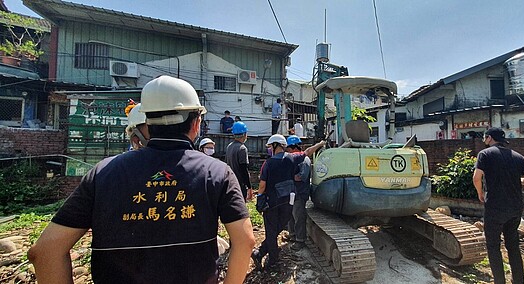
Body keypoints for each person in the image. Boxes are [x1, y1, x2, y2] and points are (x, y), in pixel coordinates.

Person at [28, 75, 255, 284]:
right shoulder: (216, 172)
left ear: (146, 122)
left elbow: (45, 251)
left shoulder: (103, 173)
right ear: (196, 123)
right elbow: (245, 241)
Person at [472, 127, 524, 284]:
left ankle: (499, 281)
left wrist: (480, 193)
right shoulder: (518, 157)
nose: (483, 141)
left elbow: (476, 177)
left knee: (494, 246)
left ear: (489, 138)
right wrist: (518, 180)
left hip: (495, 207)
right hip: (515, 209)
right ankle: (519, 281)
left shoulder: (485, 154)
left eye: (484, 138)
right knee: (513, 246)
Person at [252, 136, 325, 270]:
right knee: (278, 228)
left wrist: (259, 200)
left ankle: (270, 260)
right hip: (286, 202)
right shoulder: (292, 158)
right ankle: (261, 252)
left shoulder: (268, 163)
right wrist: (319, 144)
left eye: (270, 147)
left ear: (275, 145)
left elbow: (262, 185)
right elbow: (308, 152)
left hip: (271, 202)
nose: (269, 150)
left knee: (271, 231)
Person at [285, 135, 310, 251]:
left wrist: (290, 177)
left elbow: (302, 176)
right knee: (290, 214)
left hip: (300, 193)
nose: (287, 151)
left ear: (293, 147)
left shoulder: (304, 160)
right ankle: (292, 235)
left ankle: (300, 240)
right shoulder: (293, 158)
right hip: (292, 192)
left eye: (288, 148)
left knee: (299, 216)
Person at [226, 121, 253, 201]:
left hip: (230, 182)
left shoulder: (229, 146)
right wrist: (249, 187)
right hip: (239, 184)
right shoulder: (242, 148)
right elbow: (243, 169)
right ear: (244, 134)